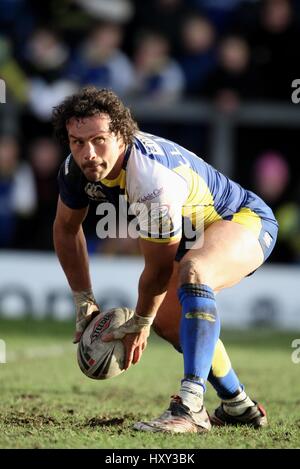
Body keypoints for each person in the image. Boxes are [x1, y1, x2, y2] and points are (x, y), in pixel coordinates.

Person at [52, 86, 278, 433]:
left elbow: (158, 269)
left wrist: (139, 321)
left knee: (194, 273)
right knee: (168, 321)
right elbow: (66, 230)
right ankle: (237, 405)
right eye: (77, 141)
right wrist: (84, 300)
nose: (89, 153)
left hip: (244, 219)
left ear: (121, 135)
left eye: (98, 139)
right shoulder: (75, 169)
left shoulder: (151, 179)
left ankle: (190, 406)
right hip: (194, 233)